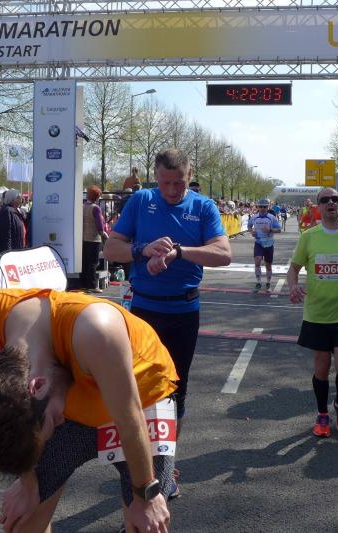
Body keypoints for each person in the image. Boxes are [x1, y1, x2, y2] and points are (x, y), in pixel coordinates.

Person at [0, 289, 176, 533]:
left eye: (53, 422)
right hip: (64, 400)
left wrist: (146, 496)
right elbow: (15, 428)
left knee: (147, 525)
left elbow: (129, 421)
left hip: (140, 401)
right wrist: (27, 483)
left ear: (37, 385)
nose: (59, 423)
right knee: (23, 522)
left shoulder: (97, 330)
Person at [104, 148, 232, 484]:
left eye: (179, 183)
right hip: (144, 312)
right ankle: (141, 464)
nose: (172, 190)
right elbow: (110, 248)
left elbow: (224, 254)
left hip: (183, 312)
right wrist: (141, 249)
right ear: (155, 178)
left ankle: (166, 465)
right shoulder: (141, 201)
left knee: (176, 392)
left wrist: (179, 252)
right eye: (165, 183)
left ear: (190, 176)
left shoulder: (203, 207)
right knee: (139, 391)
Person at [287, 188, 338, 437]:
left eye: (336, 199)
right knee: (321, 369)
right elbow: (293, 268)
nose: (331, 203)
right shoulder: (309, 237)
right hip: (317, 314)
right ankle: (322, 413)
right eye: (325, 200)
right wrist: (293, 286)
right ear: (319, 207)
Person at [247, 198, 281, 291]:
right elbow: (249, 226)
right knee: (257, 261)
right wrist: (252, 232)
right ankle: (258, 282)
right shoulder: (254, 217)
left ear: (268, 207)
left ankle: (268, 283)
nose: (262, 208)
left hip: (269, 244)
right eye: (260, 207)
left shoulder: (272, 217)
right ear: (258, 207)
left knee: (268, 265)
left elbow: (279, 229)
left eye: (265, 207)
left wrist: (270, 230)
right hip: (258, 243)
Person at [81, 185, 109, 292]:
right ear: (97, 197)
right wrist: (104, 235)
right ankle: (92, 286)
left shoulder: (83, 206)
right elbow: (100, 226)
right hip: (93, 239)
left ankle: (84, 284)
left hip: (83, 238)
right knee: (93, 263)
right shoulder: (96, 208)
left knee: (85, 262)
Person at [0, 189, 26, 257]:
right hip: (11, 253)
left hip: (18, 248)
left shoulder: (17, 211)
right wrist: (8, 253)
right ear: (11, 199)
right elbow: (6, 234)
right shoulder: (6, 211)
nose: (21, 200)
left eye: (21, 197)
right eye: (18, 198)